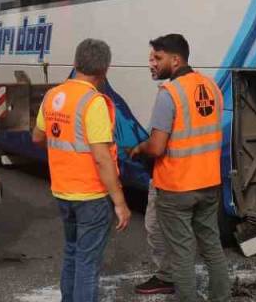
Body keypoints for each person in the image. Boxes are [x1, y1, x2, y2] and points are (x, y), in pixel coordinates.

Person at [130, 34, 231, 302]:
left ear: (176, 60)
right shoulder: (211, 87)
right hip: (209, 184)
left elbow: (157, 148)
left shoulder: (170, 94)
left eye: (158, 58)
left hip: (176, 188)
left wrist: (140, 148)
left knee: (182, 254)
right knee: (212, 247)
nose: (153, 63)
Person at [33, 38, 131, 302]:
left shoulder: (53, 96)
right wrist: (120, 202)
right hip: (91, 195)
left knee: (72, 252)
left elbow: (37, 137)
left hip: (63, 191)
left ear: (75, 63)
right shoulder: (93, 102)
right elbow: (102, 157)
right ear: (104, 71)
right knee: (88, 263)